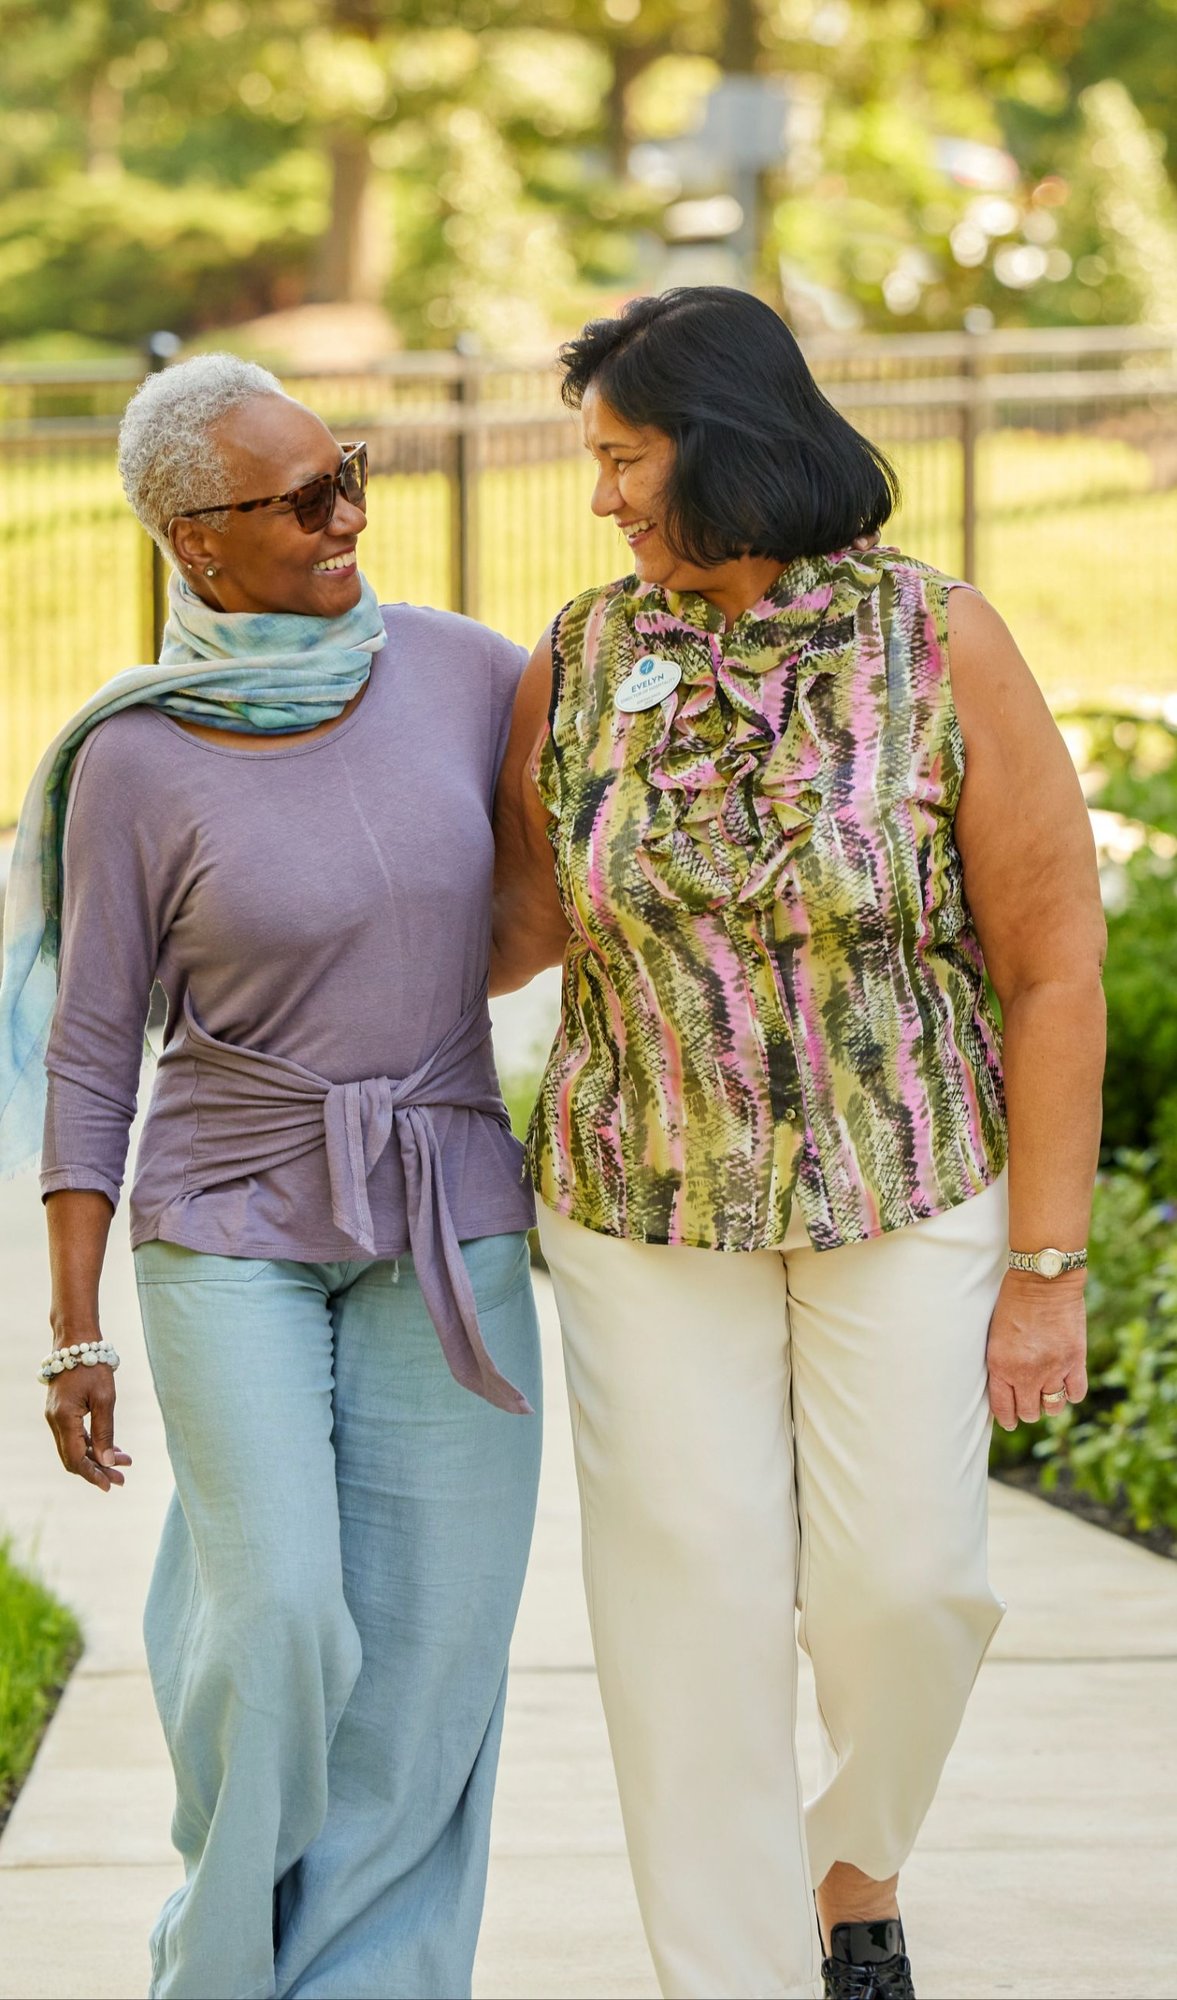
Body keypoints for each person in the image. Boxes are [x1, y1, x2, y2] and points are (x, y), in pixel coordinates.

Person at [492, 288, 1105, 2000]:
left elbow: (1051, 963)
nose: (602, 497)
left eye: (622, 457)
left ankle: (848, 1866)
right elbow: (512, 924)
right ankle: (739, 1973)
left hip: (904, 1173)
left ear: (724, 444)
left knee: (908, 1590)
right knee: (683, 1618)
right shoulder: (581, 657)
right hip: (640, 1198)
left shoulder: (939, 641)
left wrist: (1045, 1266)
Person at [1, 353, 542, 2000]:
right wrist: (74, 1328)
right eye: (303, 500)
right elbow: (95, 1051)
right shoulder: (137, 758)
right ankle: (224, 1963)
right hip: (228, 1217)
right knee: (287, 1621)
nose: (348, 519)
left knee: (431, 1661)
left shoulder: (469, 675)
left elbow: (578, 899)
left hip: (449, 1211)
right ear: (191, 540)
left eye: (350, 474)